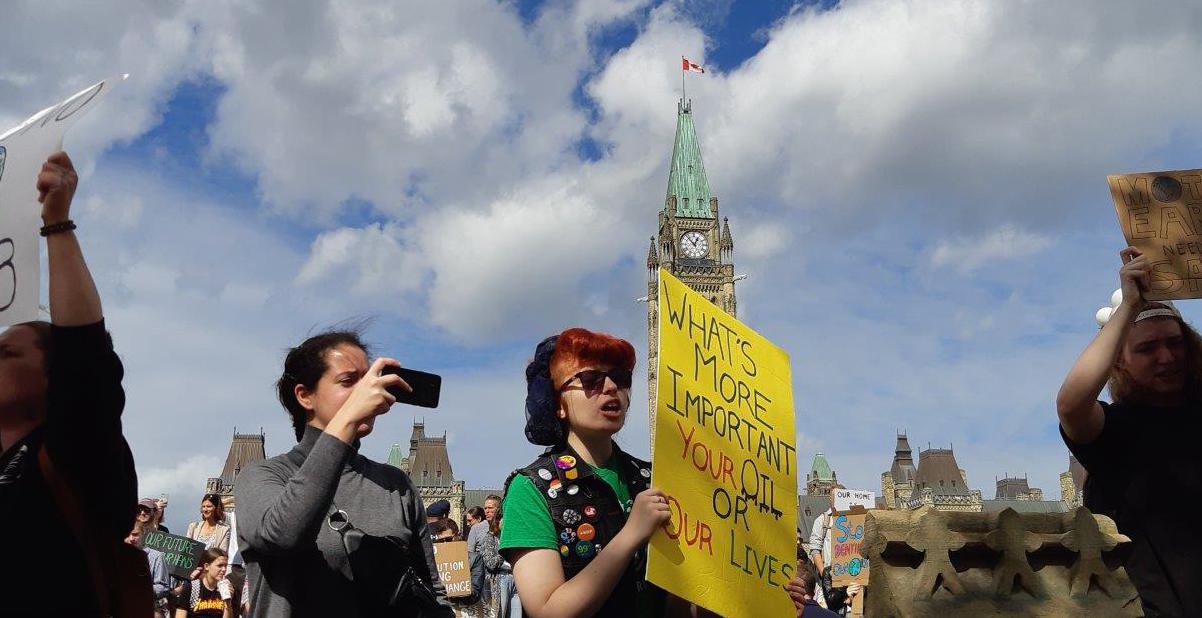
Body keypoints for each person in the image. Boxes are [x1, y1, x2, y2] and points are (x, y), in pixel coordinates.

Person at [0, 151, 146, 615]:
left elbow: (85, 358)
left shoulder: (70, 454)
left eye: (6, 353)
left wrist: (57, 224)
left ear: (51, 375)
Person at [235, 329, 453, 617]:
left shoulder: (395, 484)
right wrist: (348, 417)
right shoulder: (262, 476)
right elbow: (284, 535)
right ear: (305, 396)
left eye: (368, 381)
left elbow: (431, 590)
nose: (367, 392)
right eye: (349, 381)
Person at [1057, 246, 1202, 616]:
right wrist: (1129, 308)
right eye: (1148, 348)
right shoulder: (1116, 431)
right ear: (1119, 359)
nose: (1167, 357)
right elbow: (1071, 404)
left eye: (1174, 343)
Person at [499, 328, 673, 618]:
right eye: (591, 379)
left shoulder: (653, 478)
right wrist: (630, 535)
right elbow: (548, 611)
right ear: (558, 404)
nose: (610, 387)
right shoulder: (530, 488)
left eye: (620, 378)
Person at [174, 548, 235, 618]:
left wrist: (228, 603)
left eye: (225, 566)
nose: (224, 569)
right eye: (220, 566)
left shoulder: (225, 589)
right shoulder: (191, 588)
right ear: (207, 566)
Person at [127, 521, 172, 616]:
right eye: (128, 535)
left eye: (135, 535)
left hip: (150, 609)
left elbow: (163, 587)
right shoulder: (118, 556)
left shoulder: (156, 556)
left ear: (143, 534)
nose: (131, 539)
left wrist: (141, 590)